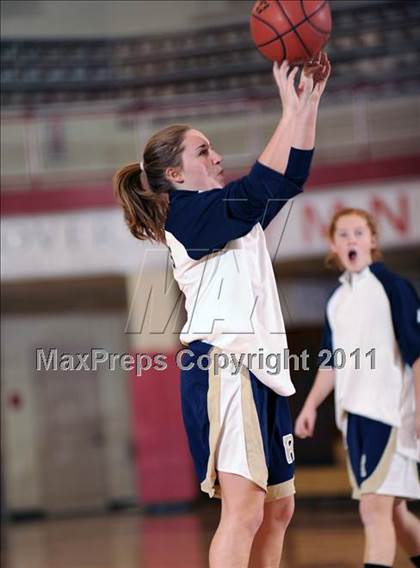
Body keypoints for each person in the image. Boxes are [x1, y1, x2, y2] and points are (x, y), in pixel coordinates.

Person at [114, 53, 331, 568]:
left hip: (262, 369)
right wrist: (286, 109)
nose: (216, 155)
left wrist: (308, 105)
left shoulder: (236, 215)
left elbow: (288, 176)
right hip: (223, 368)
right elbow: (258, 185)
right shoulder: (188, 218)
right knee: (245, 510)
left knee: (279, 510)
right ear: (175, 173)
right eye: (203, 150)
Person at [295, 207, 420, 568]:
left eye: (359, 233)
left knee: (373, 510)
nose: (352, 240)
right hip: (353, 420)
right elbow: (330, 363)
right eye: (344, 234)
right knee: (394, 512)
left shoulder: (392, 287)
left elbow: (416, 353)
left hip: (390, 413)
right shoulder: (337, 301)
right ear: (333, 245)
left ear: (373, 240)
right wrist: (310, 406)